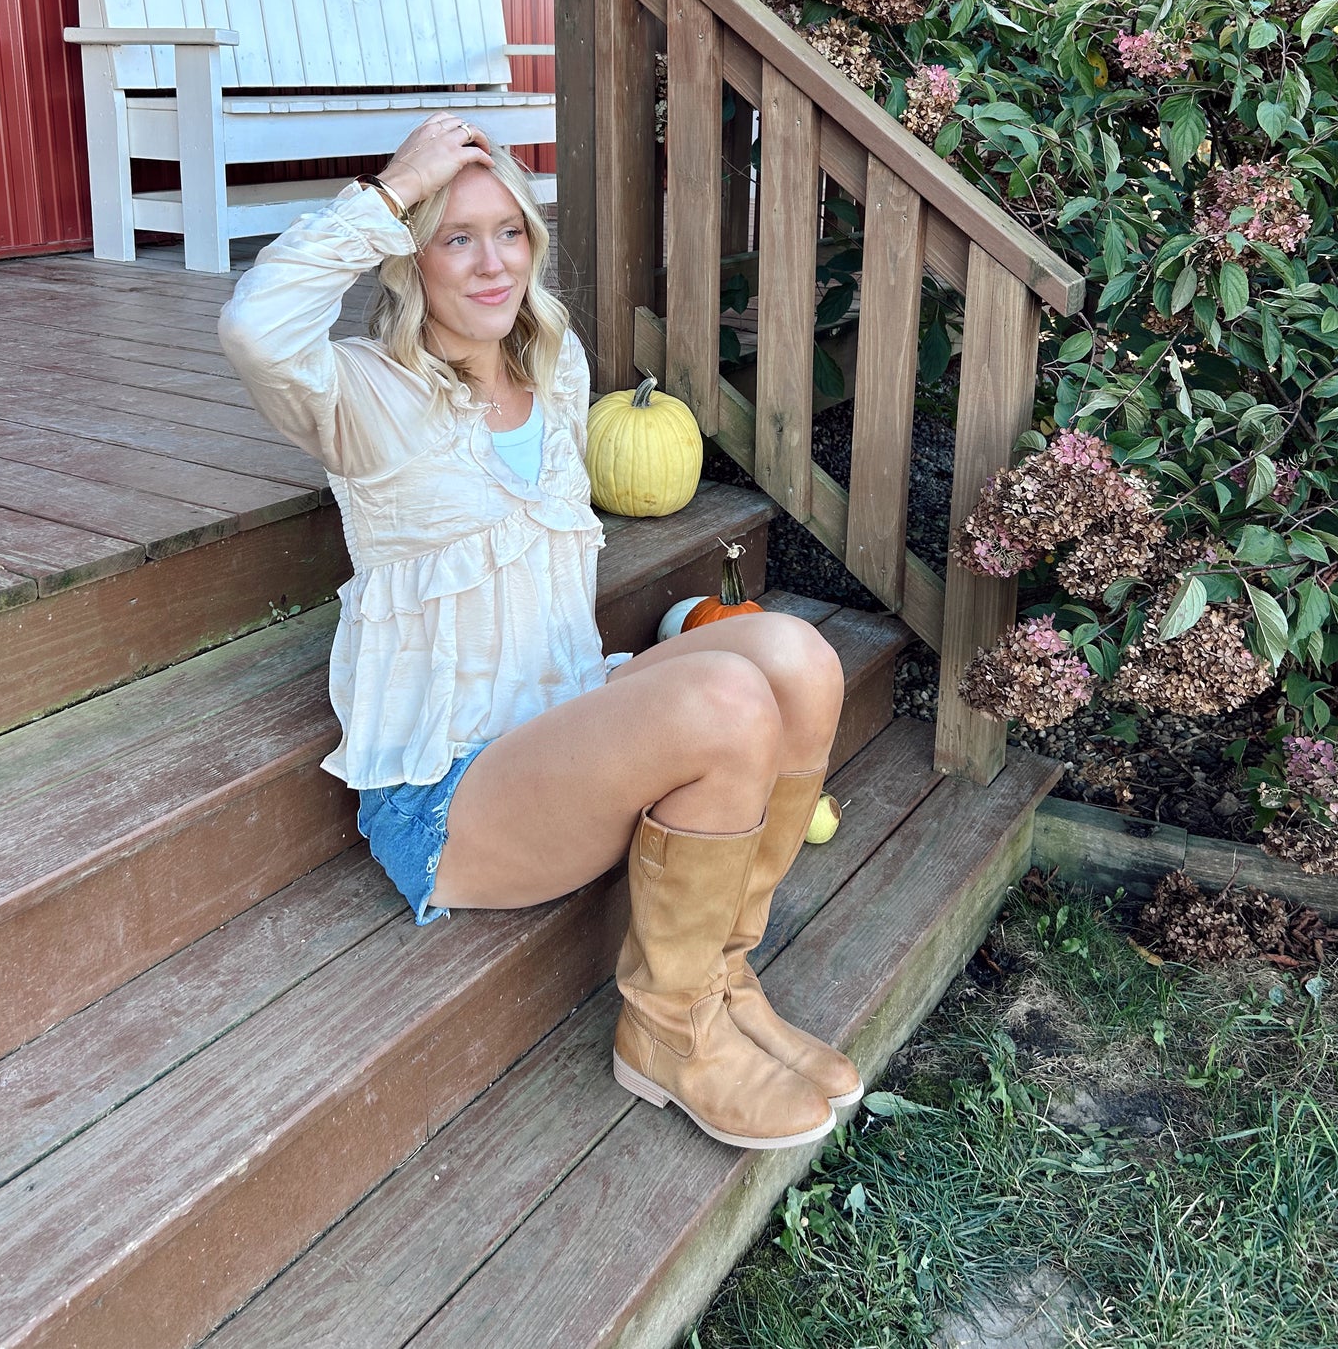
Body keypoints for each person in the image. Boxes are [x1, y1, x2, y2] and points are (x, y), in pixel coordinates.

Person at [218, 111, 862, 1150]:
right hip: (453, 791)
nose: (490, 263)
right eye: (453, 236)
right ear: (407, 257)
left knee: (797, 655)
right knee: (725, 698)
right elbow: (255, 327)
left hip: (566, 720)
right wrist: (390, 188)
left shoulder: (555, 370)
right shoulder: (362, 396)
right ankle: (666, 1034)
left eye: (507, 231)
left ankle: (720, 979)